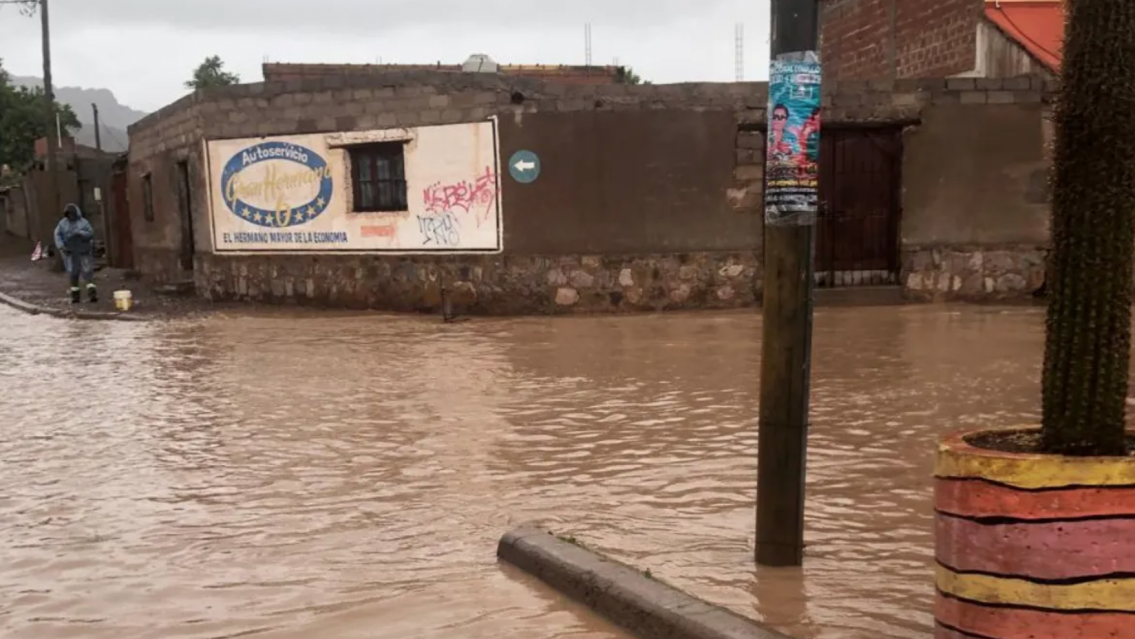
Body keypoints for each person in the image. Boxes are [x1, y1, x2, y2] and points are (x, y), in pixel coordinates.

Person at [53, 203, 97, 303]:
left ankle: (92, 294)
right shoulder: (62, 224)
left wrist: (80, 233)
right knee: (73, 272)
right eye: (69, 214)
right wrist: (61, 246)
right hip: (70, 252)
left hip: (83, 250)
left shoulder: (83, 222)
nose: (71, 216)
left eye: (72, 214)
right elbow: (57, 235)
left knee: (87, 271)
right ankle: (75, 296)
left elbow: (90, 233)